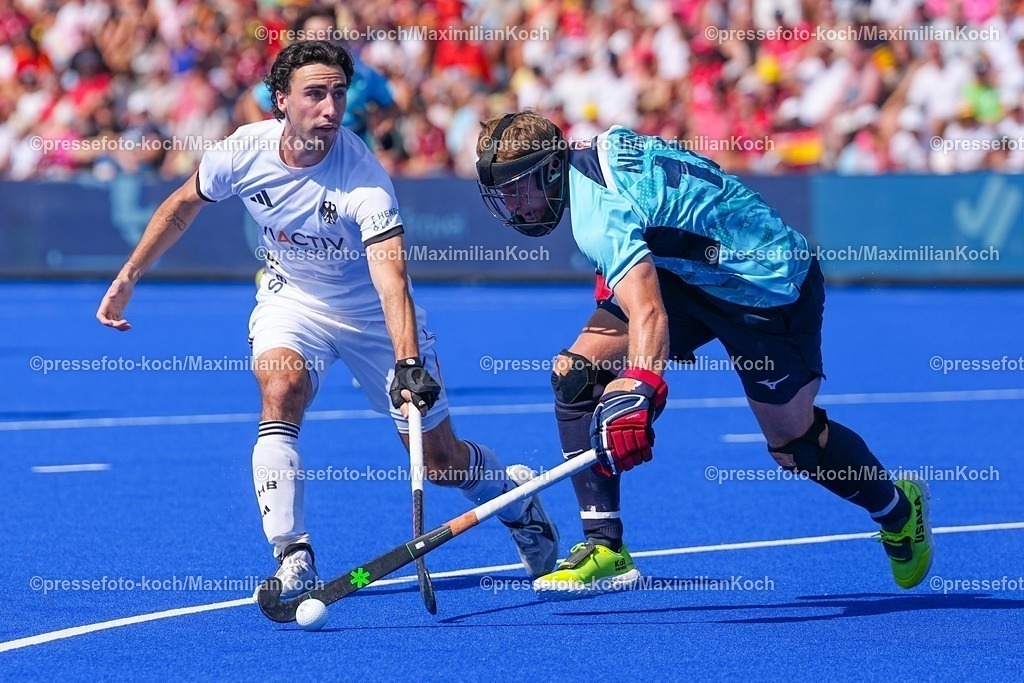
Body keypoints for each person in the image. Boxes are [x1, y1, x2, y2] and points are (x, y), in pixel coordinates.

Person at [95, 42, 558, 599]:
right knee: (281, 386)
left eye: (339, 93)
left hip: (371, 317)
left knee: (441, 465)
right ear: (280, 102)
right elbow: (182, 205)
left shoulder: (363, 179)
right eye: (315, 94)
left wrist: (409, 363)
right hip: (293, 301)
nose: (331, 108)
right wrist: (128, 277)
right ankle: (293, 554)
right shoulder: (242, 152)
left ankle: (513, 494)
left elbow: (391, 278)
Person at [474, 111, 934, 598]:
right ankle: (605, 548)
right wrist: (640, 356)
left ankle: (899, 512)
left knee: (794, 445)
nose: (511, 204)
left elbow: (648, 310)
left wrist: (639, 386)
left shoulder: (594, 217)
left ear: (549, 169)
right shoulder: (601, 146)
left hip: (768, 287)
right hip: (690, 277)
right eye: (501, 191)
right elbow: (640, 237)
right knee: (576, 374)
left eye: (517, 188)